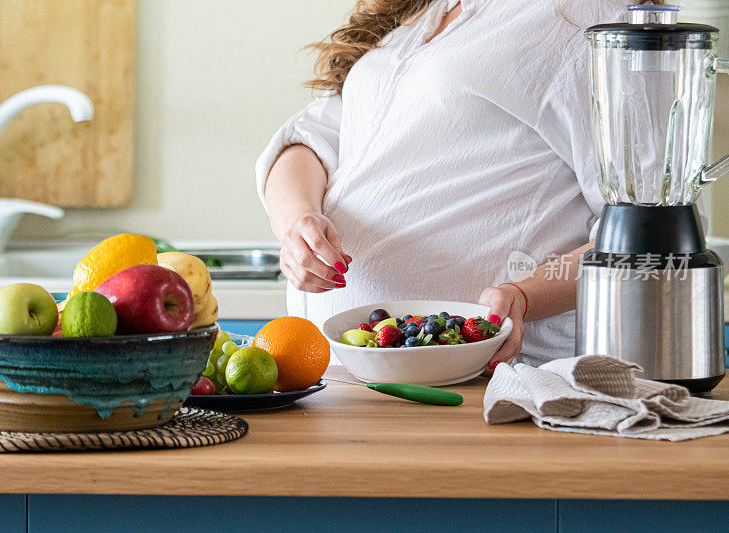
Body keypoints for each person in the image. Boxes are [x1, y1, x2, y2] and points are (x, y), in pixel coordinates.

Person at [255, 0, 658, 369]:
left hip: (484, 379)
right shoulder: (425, 12)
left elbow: (651, 226)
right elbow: (309, 138)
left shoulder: (589, 17)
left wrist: (524, 296)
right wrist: (299, 220)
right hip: (336, 377)